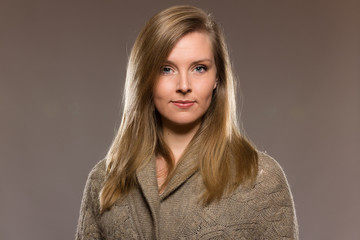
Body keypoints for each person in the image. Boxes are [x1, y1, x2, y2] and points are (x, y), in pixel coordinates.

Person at [75, 5, 298, 240]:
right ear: (145, 78)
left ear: (217, 78)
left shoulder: (258, 179)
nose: (183, 85)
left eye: (199, 68)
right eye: (166, 69)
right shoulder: (104, 181)